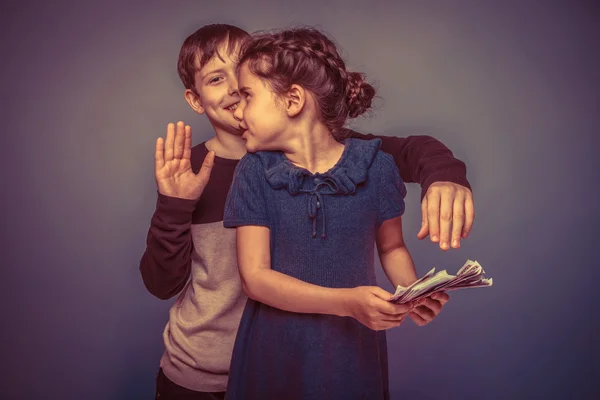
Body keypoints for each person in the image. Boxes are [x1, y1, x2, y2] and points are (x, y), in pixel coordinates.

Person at [140, 24, 473, 400]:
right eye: (218, 78)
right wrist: (173, 206)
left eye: (244, 74)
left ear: (289, 94)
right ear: (196, 99)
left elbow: (414, 151)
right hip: (205, 375)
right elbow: (162, 284)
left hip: (317, 365)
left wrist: (446, 176)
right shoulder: (190, 169)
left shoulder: (344, 153)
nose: (235, 88)